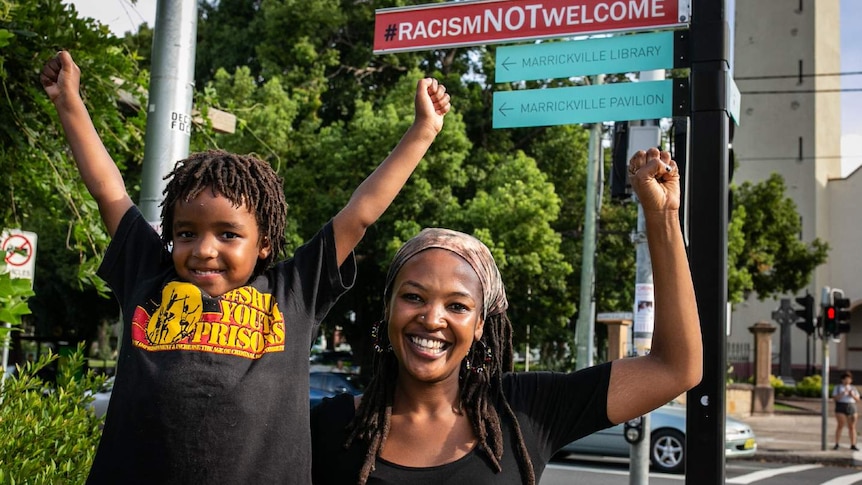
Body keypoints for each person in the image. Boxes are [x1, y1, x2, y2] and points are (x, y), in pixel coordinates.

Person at [41, 50, 450, 484]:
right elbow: (109, 192)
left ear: (265, 244)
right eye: (186, 233)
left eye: (228, 234)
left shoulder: (294, 292)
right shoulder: (148, 277)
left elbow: (361, 213)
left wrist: (423, 130)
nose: (203, 249)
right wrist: (69, 101)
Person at [310, 148, 702, 484]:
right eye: (414, 297)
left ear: (480, 324)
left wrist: (663, 216)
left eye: (457, 306)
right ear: (389, 308)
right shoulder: (330, 425)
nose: (432, 319)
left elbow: (675, 368)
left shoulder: (526, 409)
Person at [832, 371, 860, 450]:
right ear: (842, 380)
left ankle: (853, 444)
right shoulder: (838, 387)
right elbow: (834, 398)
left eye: (849, 379)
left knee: (852, 426)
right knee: (841, 425)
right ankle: (837, 443)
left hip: (851, 405)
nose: (847, 381)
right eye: (845, 379)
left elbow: (858, 399)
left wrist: (852, 395)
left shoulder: (853, 388)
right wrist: (842, 394)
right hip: (841, 405)